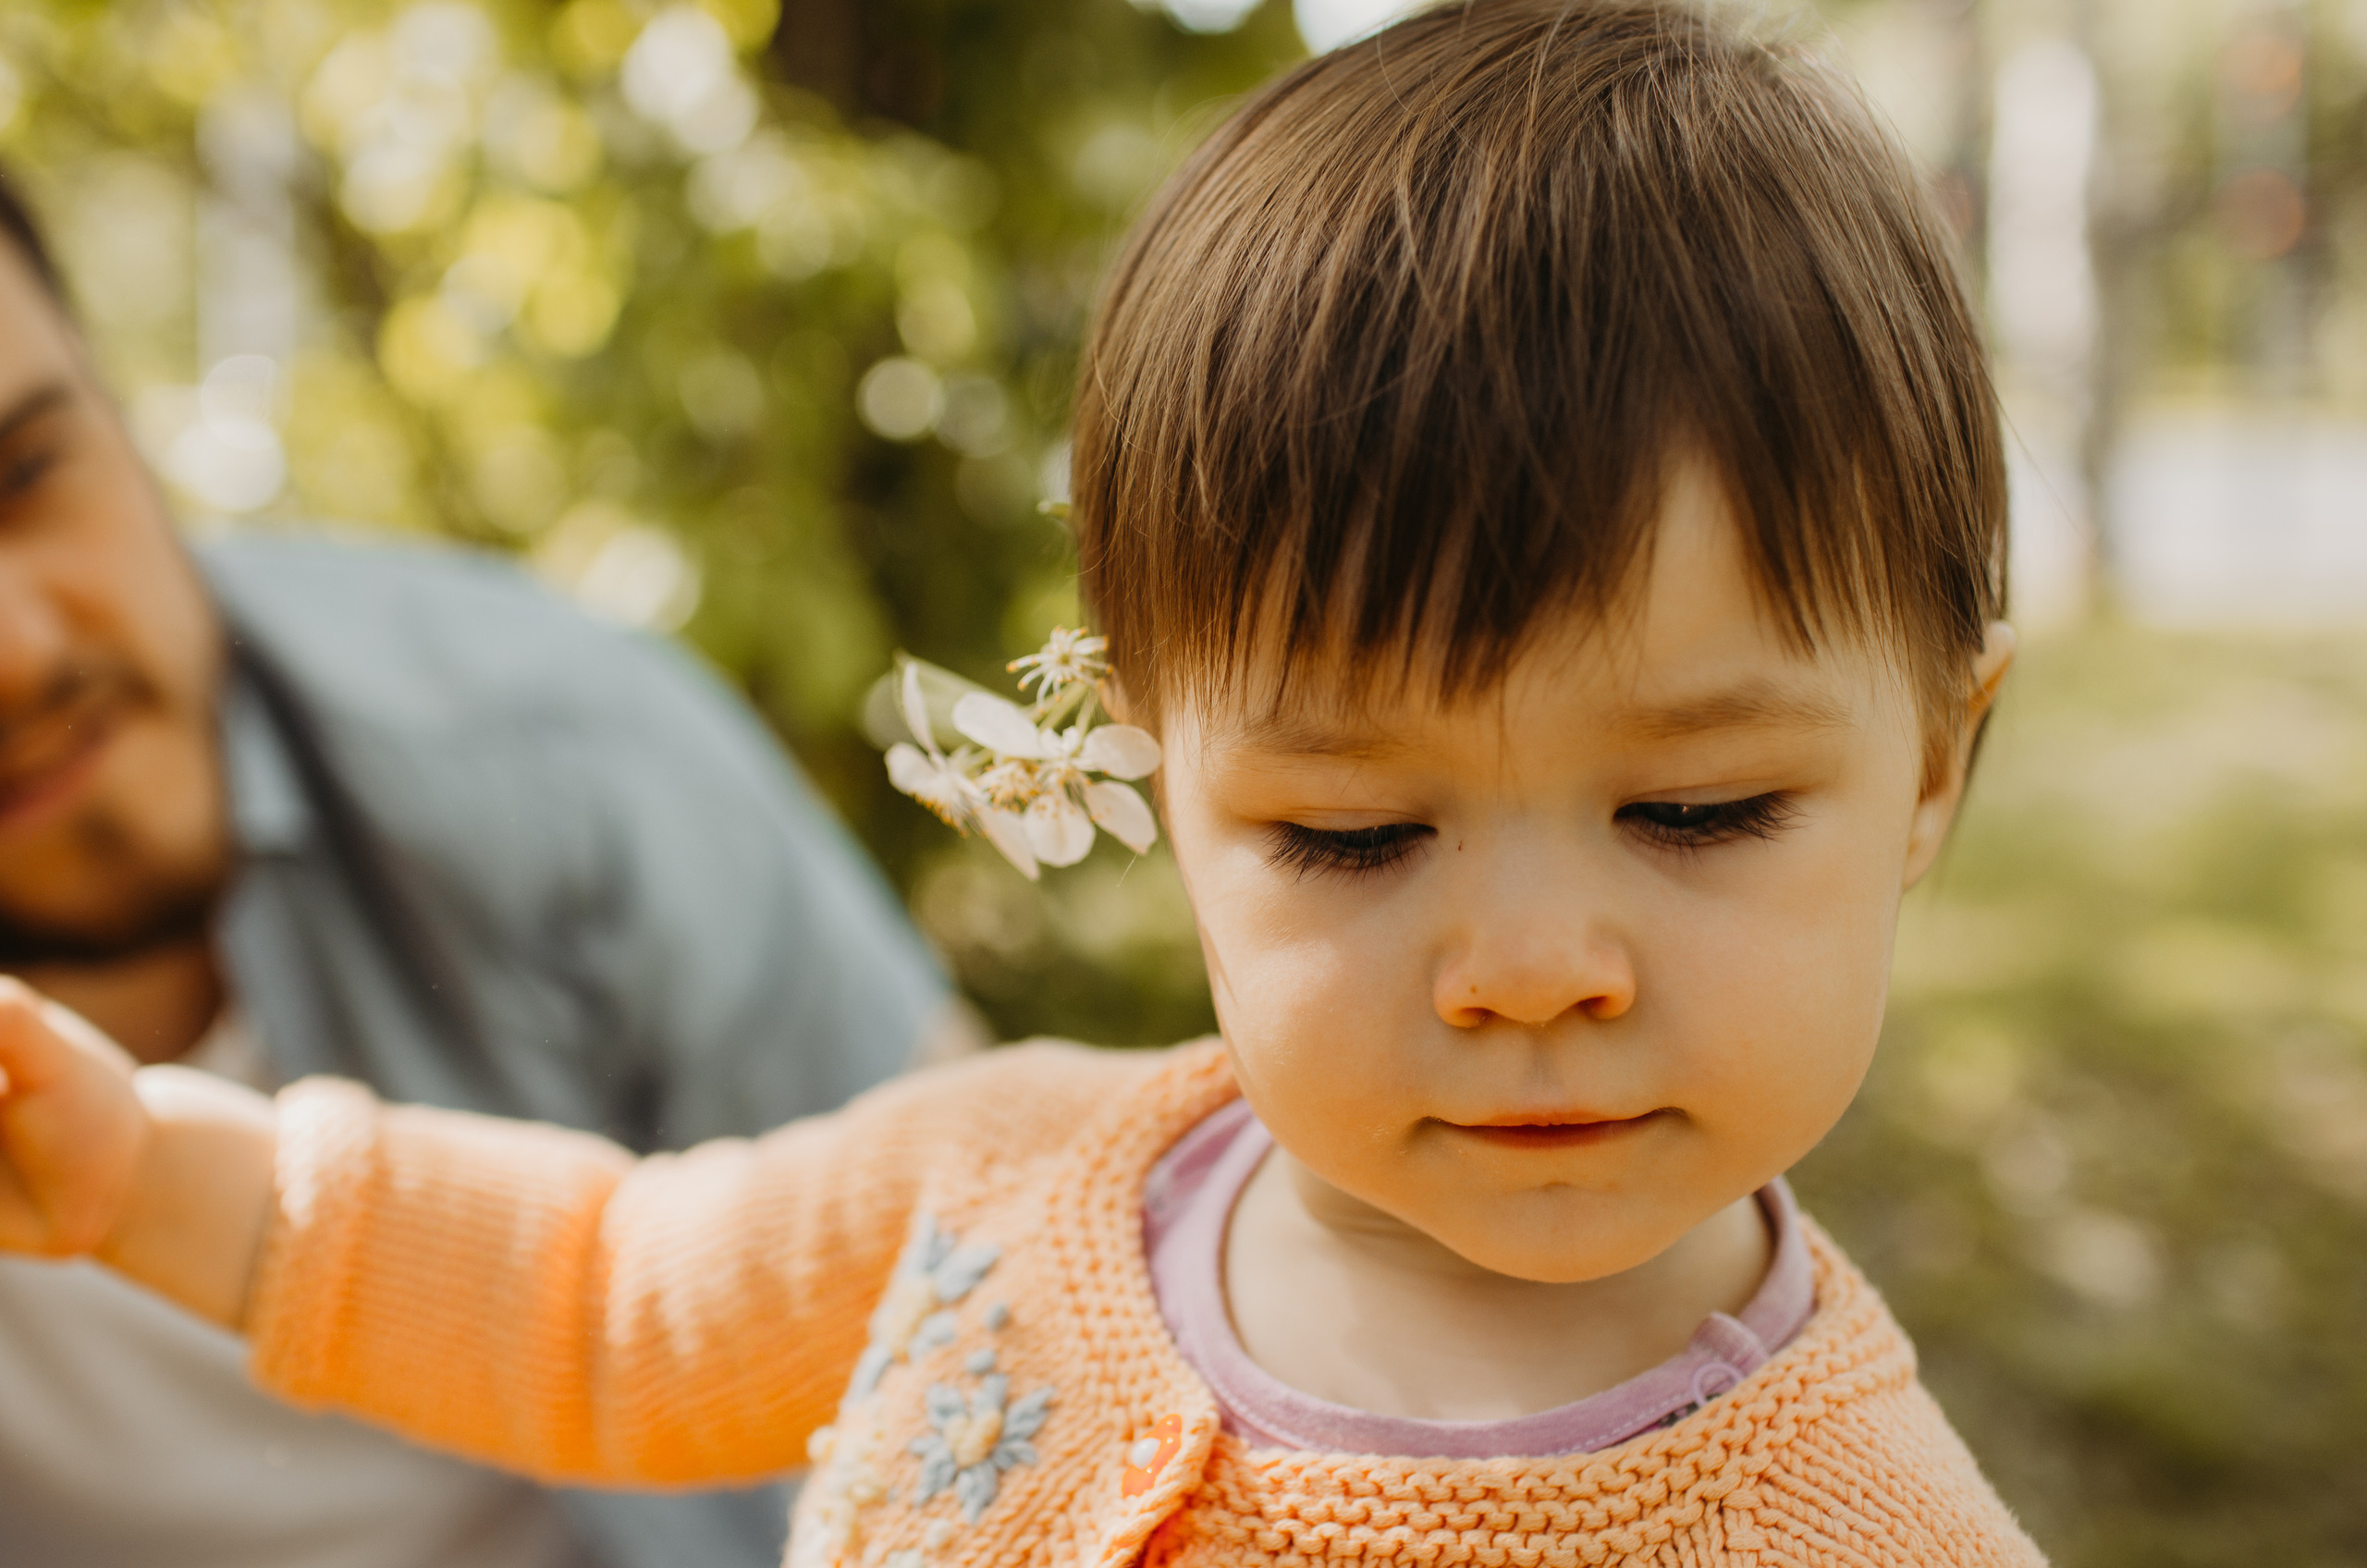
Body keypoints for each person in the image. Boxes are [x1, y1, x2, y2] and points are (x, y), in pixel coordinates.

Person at [0, 3, 2047, 1562]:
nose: (1524, 965)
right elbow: (598, 1300)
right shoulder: (1011, 1177)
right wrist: (154, 1174)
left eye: (1691, 812)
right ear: (1164, 781)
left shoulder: (1855, 1525)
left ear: (1930, 769)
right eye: (1347, 829)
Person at [0, 161, 975, 1568]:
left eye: (29, 474)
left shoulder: (547, 746)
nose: (20, 655)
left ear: (122, 413)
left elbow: (1012, 1288)